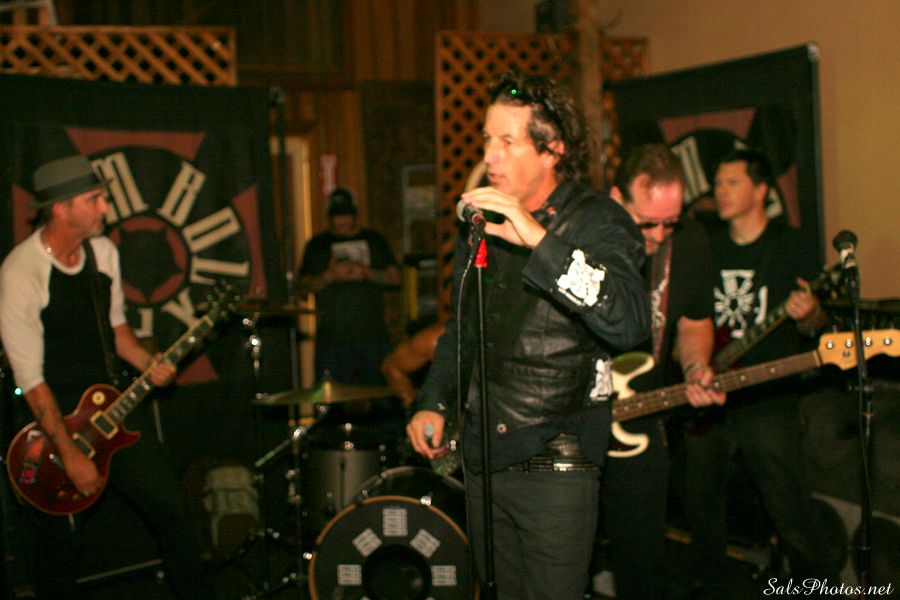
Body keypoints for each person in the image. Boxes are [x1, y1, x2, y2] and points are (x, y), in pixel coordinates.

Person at [407, 71, 651, 600]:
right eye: (487, 140)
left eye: (507, 142)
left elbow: (630, 322)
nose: (489, 156)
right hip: (484, 458)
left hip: (556, 460)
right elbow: (463, 327)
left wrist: (538, 238)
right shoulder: (481, 222)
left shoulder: (598, 220)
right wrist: (435, 400)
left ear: (551, 150)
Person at [0, 155, 213, 599]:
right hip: (50, 422)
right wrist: (70, 454)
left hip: (107, 405)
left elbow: (117, 331)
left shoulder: (104, 253)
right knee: (58, 545)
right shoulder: (21, 272)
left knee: (171, 508)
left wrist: (148, 363)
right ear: (61, 208)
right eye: (94, 199)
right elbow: (31, 381)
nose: (105, 208)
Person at [681, 148, 841, 597]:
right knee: (701, 507)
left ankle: (815, 588)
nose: (720, 191)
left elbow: (817, 326)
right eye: (717, 183)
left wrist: (809, 314)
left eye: (732, 182)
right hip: (708, 392)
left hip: (767, 397)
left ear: (761, 190)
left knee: (786, 503)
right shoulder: (706, 245)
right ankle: (710, 587)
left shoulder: (790, 246)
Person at [601, 143, 726, 599]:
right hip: (574, 419)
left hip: (640, 418)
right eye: (646, 223)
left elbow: (694, 322)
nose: (658, 234)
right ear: (617, 199)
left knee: (642, 563)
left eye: (669, 222)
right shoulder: (585, 241)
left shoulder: (689, 243)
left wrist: (695, 367)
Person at [295, 186, 401, 386]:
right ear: (330, 216)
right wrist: (331, 275)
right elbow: (302, 288)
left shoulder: (374, 239)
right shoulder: (318, 244)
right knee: (329, 396)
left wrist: (367, 273)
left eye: (346, 214)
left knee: (382, 393)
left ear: (354, 214)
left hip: (372, 336)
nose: (342, 220)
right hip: (332, 339)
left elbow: (395, 279)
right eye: (337, 215)